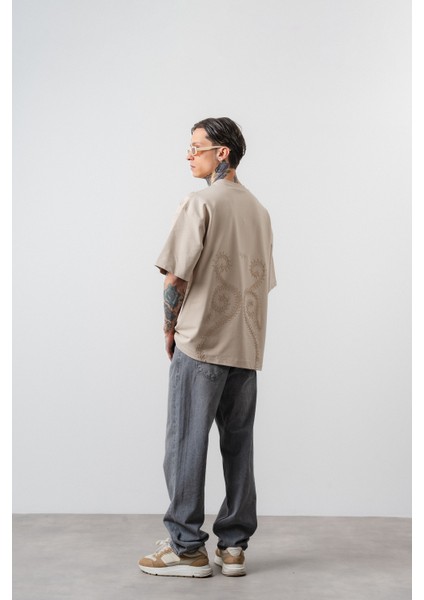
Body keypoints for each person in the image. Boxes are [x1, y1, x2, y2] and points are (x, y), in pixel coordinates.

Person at [138, 117, 276, 578]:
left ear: (223, 153)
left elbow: (175, 277)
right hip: (246, 345)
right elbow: (263, 282)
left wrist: (169, 328)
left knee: (185, 443)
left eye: (196, 146)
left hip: (201, 343)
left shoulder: (199, 203)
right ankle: (233, 547)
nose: (188, 154)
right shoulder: (259, 211)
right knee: (238, 446)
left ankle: (186, 547)